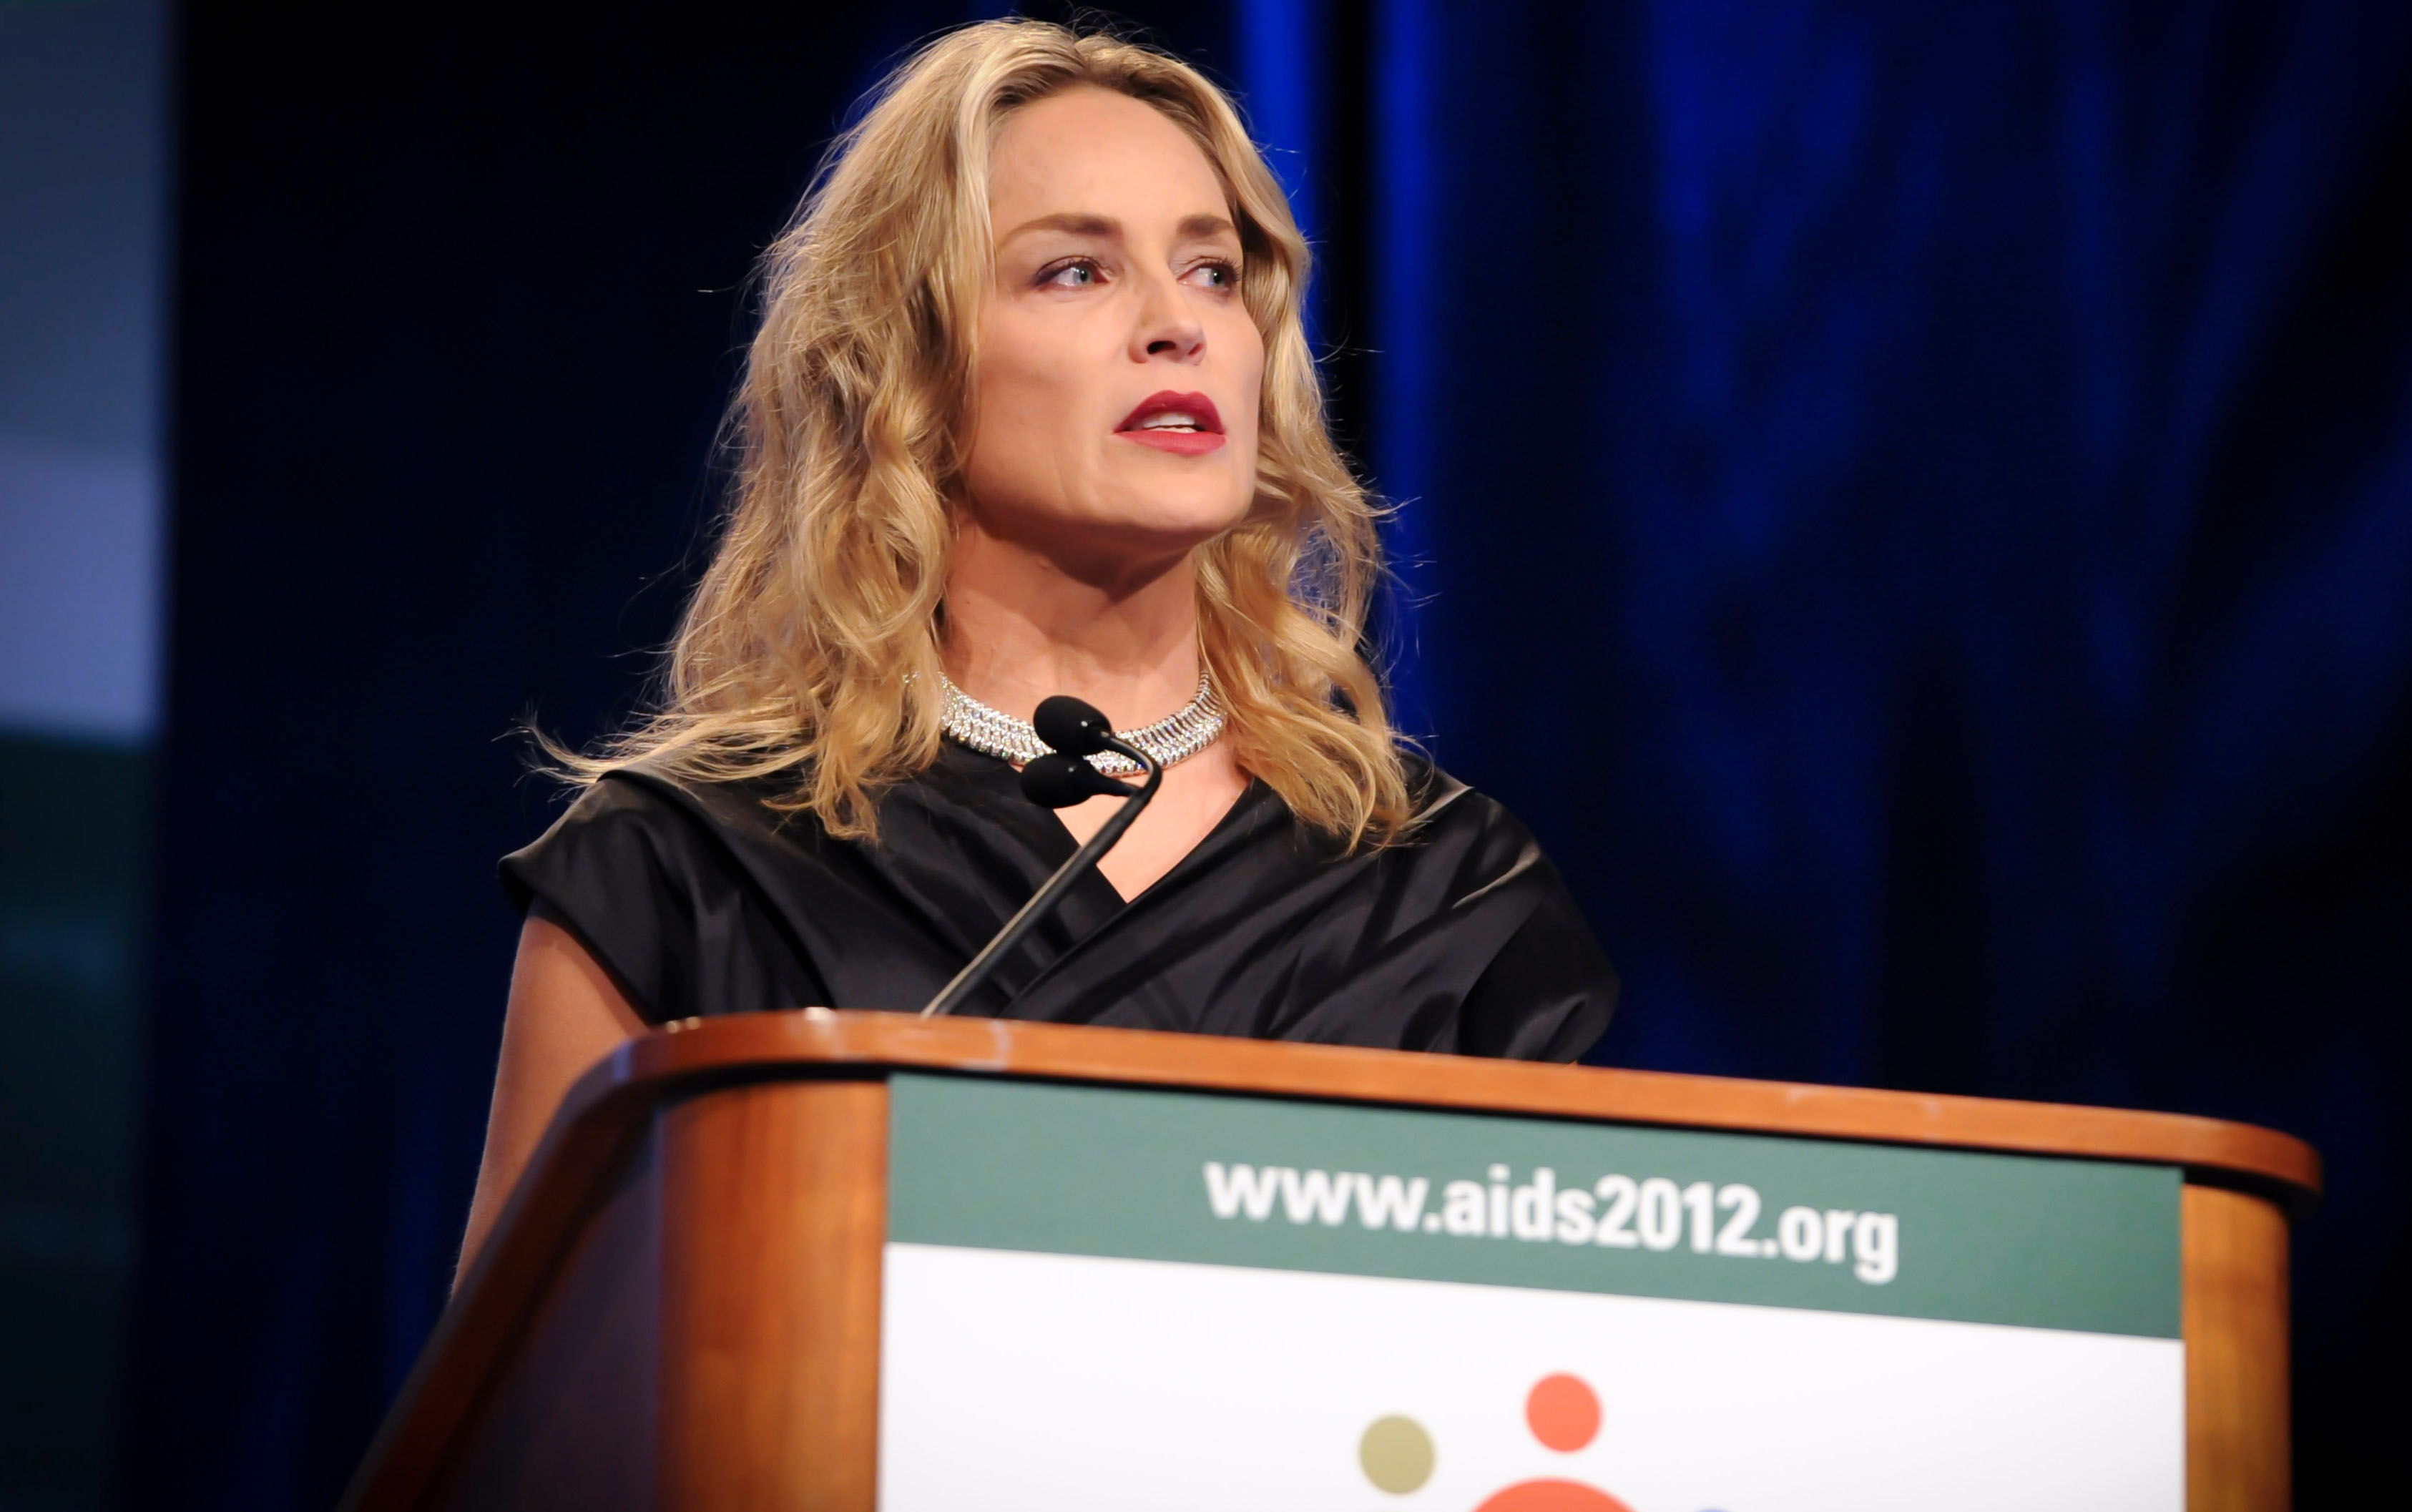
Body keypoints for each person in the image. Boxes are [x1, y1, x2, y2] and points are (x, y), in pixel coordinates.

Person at [459, 19, 1617, 1273]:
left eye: (1213, 271)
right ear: (907, 362)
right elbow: (523, 1377)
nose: (1177, 325)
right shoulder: (689, 868)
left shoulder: (1443, 890)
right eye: (1074, 271)